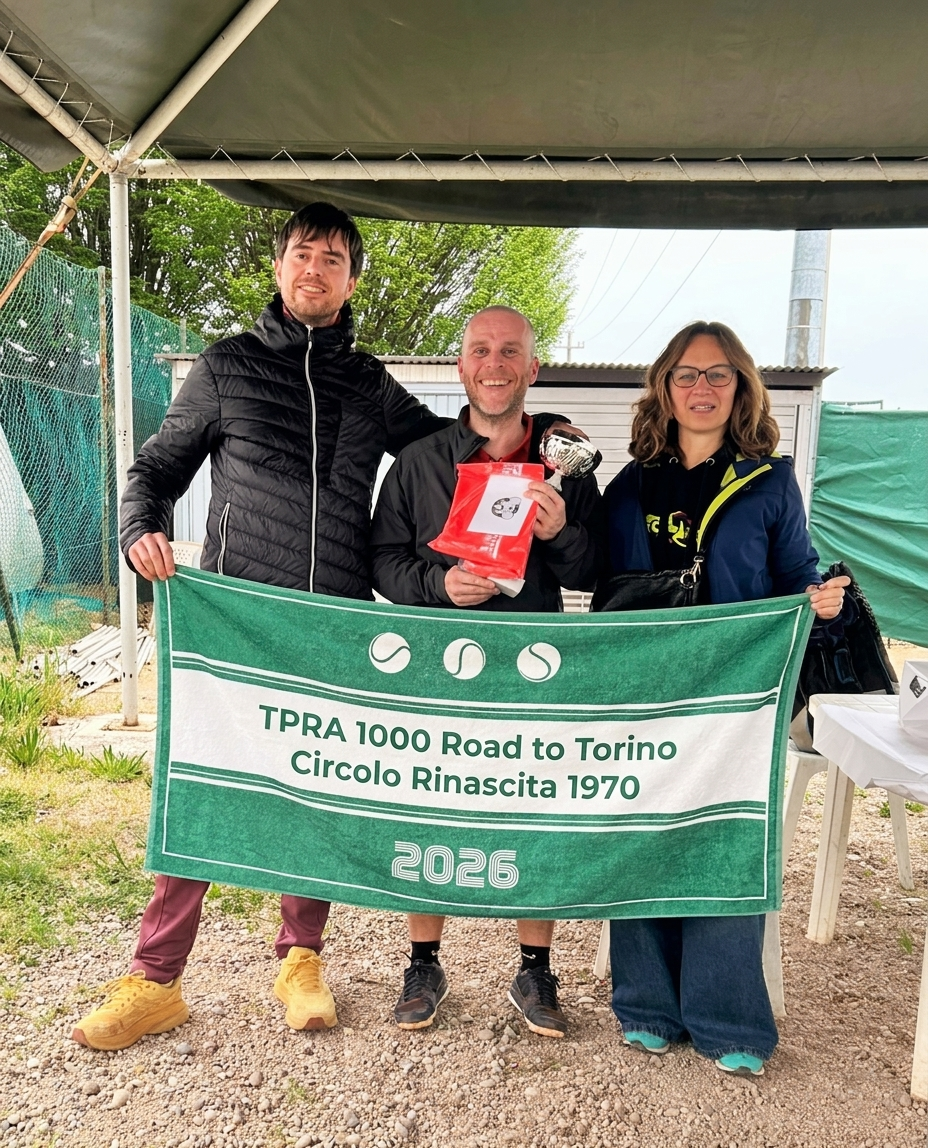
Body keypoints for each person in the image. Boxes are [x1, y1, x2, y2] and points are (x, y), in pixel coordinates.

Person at [72, 202, 463, 1051]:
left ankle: (302, 961)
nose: (315, 268)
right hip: (238, 624)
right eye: (302, 254)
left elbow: (447, 448)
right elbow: (157, 468)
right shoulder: (227, 366)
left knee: (315, 789)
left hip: (333, 626)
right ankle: (156, 980)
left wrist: (530, 436)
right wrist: (139, 529)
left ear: (351, 282)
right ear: (279, 268)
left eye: (333, 258)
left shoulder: (369, 383)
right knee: (204, 787)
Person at [600, 320, 848, 1077]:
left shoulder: (769, 481)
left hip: (738, 697)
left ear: (741, 387)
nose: (701, 388)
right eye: (687, 374)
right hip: (645, 691)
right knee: (642, 838)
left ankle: (727, 1017)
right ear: (665, 387)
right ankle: (646, 1004)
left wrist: (818, 598)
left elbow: (794, 571)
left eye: (718, 374)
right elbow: (599, 576)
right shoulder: (631, 482)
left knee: (725, 843)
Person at [370, 305, 600, 1037]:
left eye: (509, 352)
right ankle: (423, 962)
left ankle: (535, 969)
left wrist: (560, 533)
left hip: (532, 662)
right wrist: (439, 586)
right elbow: (382, 562)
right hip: (438, 664)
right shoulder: (419, 463)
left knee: (533, 807)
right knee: (431, 802)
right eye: (480, 350)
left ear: (532, 368)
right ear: (461, 365)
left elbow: (594, 570)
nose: (493, 364)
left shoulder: (566, 457)